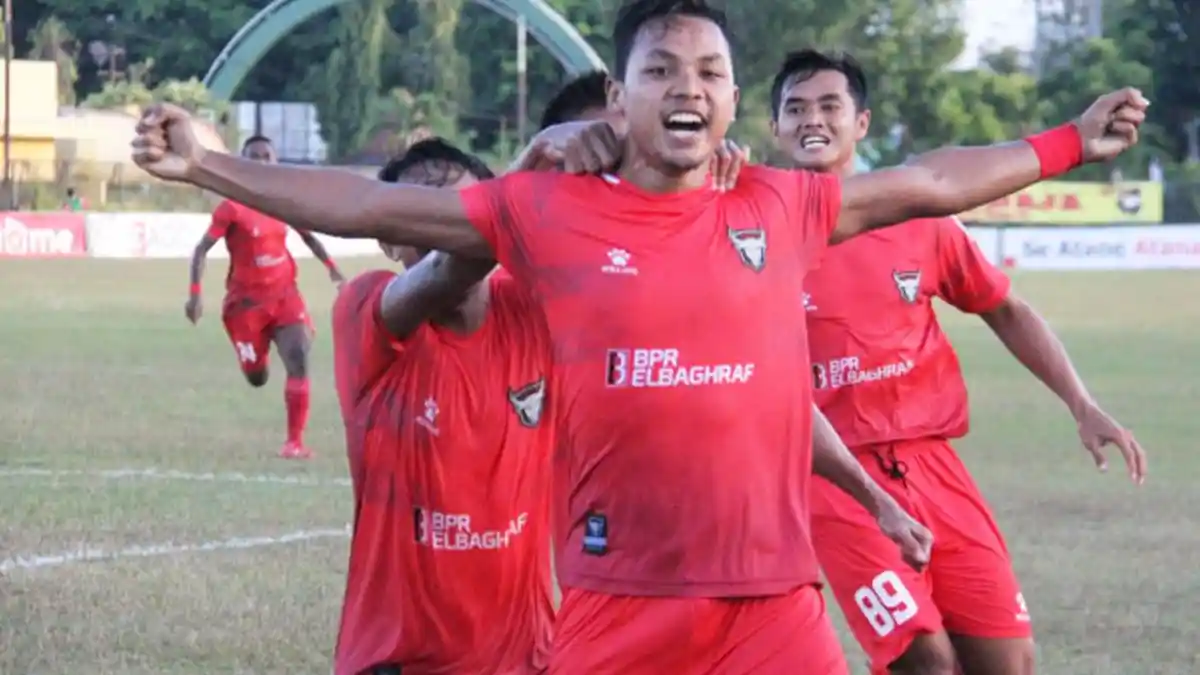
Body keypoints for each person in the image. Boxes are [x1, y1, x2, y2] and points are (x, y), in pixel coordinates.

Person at [131, 0, 1145, 670]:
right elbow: (361, 204)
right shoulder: (544, 212)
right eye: (660, 70)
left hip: (773, 611)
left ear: (734, 101)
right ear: (619, 98)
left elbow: (931, 180)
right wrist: (208, 165)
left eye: (709, 70)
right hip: (617, 610)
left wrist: (1066, 143)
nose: (688, 87)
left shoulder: (781, 205)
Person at [768, 49, 1148, 675]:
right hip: (834, 476)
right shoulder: (761, 231)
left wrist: (1082, 403)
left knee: (1007, 661)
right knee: (927, 663)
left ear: (861, 123)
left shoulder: (922, 222)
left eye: (830, 105)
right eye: (796, 108)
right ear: (775, 128)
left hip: (933, 465)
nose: (813, 119)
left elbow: (1005, 308)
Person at [333, 138, 556, 675]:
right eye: (424, 221)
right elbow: (446, 271)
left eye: (460, 216)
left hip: (531, 659)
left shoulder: (532, 308)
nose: (446, 236)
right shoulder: (367, 307)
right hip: (399, 663)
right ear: (389, 241)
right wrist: (513, 195)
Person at [185, 134, 346, 460]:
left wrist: (332, 268)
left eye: (266, 155)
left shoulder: (282, 202)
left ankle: (294, 443)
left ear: (275, 161)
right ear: (243, 163)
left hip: (285, 296)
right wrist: (195, 295)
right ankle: (255, 357)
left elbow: (309, 237)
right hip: (245, 307)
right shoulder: (231, 207)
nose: (260, 161)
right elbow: (201, 249)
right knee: (257, 378)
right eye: (253, 156)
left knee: (299, 358)